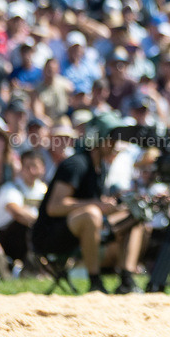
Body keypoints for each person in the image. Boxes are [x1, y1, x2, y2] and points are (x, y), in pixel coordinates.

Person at [30, 113, 144, 293]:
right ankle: (95, 282)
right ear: (98, 138)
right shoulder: (76, 164)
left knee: (135, 215)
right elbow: (54, 207)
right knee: (91, 214)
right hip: (50, 236)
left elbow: (94, 203)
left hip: (81, 231)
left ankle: (126, 280)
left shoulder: (100, 167)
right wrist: (97, 205)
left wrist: (114, 206)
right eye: (111, 138)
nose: (115, 143)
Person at [0, 149, 47, 271]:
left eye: (35, 167)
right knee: (24, 226)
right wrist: (42, 223)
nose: (31, 171)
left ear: (43, 168)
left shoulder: (44, 190)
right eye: (27, 167)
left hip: (35, 236)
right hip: (7, 241)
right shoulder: (9, 188)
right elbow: (17, 213)